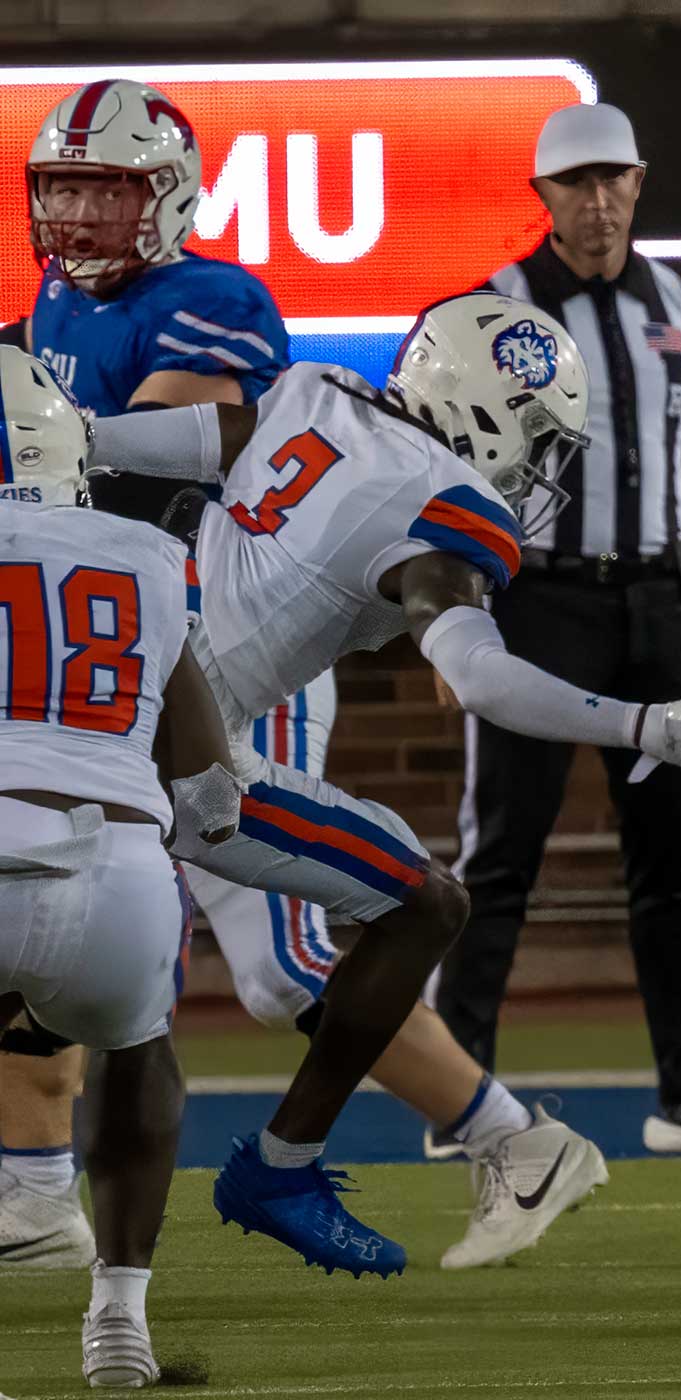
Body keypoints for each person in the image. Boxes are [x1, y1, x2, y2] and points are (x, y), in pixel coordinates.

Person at [0, 78, 584, 1278]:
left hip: (215, 652)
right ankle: (40, 1188)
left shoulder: (212, 304)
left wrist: (38, 448)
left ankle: (513, 1139)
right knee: (99, 891)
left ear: (169, 197)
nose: (79, 215)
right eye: (62, 187)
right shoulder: (56, 302)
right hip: (120, 656)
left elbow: (133, 469)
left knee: (247, 948)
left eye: (107, 190)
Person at [88, 292, 681, 1275]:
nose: (538, 470)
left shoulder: (317, 391)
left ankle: (440, 1151)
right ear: (490, 409)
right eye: (539, 439)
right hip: (177, 753)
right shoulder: (444, 502)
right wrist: (645, 723)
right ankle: (292, 1167)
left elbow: (213, 436)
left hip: (119, 697)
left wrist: (79, 436)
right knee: (417, 906)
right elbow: (482, 677)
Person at [434, 102, 681, 1155]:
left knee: (673, 861)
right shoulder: (491, 310)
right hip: (538, 599)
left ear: (638, 181)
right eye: (574, 183)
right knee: (502, 854)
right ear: (542, 196)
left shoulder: (679, 303)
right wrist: (451, 613)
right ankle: (456, 1094)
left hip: (661, 597)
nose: (596, 201)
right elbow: (445, 476)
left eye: (611, 179)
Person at [0, 344, 239, 1384]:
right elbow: (210, 785)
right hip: (117, 867)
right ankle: (118, 1316)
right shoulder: (143, 551)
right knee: (140, 1050)